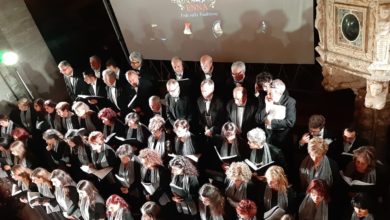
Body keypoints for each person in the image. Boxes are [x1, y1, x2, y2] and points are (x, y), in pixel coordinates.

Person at [257, 79, 296, 148]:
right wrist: (266, 108)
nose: (268, 95)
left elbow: (290, 122)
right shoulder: (265, 99)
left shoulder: (290, 102)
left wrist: (271, 122)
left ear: (279, 93)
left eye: (270, 93)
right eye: (267, 92)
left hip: (282, 140)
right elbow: (258, 119)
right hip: (267, 138)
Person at [115, 144, 141, 210]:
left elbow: (139, 179)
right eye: (120, 157)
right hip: (124, 189)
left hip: (136, 191)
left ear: (130, 156)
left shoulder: (137, 162)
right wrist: (120, 187)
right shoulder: (119, 161)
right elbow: (116, 175)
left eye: (123, 158)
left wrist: (129, 189)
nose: (121, 160)